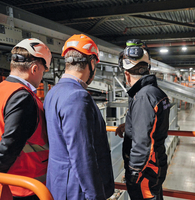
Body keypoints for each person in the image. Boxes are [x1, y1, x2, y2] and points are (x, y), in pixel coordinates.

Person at [43, 34, 114, 200]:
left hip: (58, 183)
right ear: (92, 63)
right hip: (76, 190)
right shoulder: (77, 96)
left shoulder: (53, 92)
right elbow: (82, 155)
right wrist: (95, 196)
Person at [115, 39, 171, 200]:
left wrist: (134, 171)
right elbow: (150, 124)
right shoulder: (153, 92)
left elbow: (143, 143)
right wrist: (130, 125)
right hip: (154, 166)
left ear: (126, 73)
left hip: (145, 171)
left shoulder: (143, 97)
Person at [0, 38, 51, 199]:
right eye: (43, 71)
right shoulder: (22, 97)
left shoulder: (3, 89)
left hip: (10, 184)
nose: (42, 77)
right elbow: (9, 145)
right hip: (26, 187)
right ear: (35, 69)